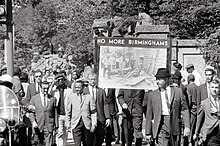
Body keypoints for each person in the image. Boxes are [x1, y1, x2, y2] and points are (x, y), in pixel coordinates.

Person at [145, 68, 190, 146]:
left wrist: (187, 126)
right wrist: (148, 132)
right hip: (161, 124)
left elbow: (184, 109)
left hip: (174, 124)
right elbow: (149, 114)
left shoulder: (178, 92)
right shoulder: (152, 95)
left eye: (160, 79)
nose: (157, 81)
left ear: (167, 79)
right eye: (156, 79)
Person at [66, 80, 97, 146]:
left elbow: (93, 112)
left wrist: (94, 124)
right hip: (75, 124)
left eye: (79, 87)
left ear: (83, 88)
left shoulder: (89, 97)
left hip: (86, 124)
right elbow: (68, 111)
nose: (77, 89)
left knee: (87, 143)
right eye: (76, 87)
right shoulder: (71, 97)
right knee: (77, 144)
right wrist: (68, 124)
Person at [84, 73, 111, 146]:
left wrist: (107, 117)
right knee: (89, 140)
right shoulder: (84, 91)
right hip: (89, 118)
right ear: (88, 80)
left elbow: (105, 104)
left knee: (99, 138)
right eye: (91, 79)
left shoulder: (101, 91)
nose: (92, 81)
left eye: (94, 79)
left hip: (100, 117)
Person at [28, 81, 57, 146]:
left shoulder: (52, 99)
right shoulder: (34, 99)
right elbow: (31, 112)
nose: (46, 90)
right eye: (44, 88)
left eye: (47, 88)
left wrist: (56, 126)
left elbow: (55, 113)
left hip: (49, 126)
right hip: (38, 125)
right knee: (38, 144)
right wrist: (33, 122)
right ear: (40, 88)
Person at [194, 79, 220, 145]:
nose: (214, 89)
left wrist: (218, 112)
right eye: (212, 87)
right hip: (210, 133)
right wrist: (196, 133)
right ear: (209, 88)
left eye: (216, 87)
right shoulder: (204, 103)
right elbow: (199, 119)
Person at [50, 73, 72, 146]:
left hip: (66, 114)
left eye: (62, 80)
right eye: (59, 80)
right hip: (58, 114)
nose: (60, 82)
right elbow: (48, 94)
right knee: (59, 132)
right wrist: (52, 84)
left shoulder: (69, 91)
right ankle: (59, 144)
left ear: (64, 80)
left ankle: (64, 144)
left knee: (65, 132)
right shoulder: (55, 91)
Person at [186, 74, 198, 146]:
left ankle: (189, 141)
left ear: (188, 80)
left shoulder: (188, 87)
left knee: (190, 125)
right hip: (197, 107)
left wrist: (188, 108)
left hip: (192, 108)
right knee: (196, 125)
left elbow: (189, 99)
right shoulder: (197, 87)